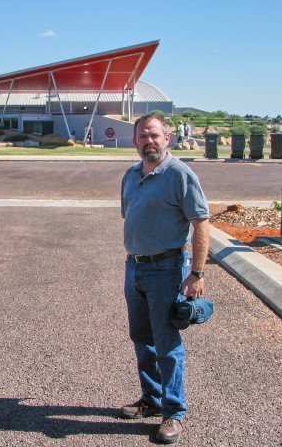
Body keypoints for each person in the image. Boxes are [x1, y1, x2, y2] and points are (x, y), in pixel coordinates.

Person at [119, 114, 210, 444]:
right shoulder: (130, 175)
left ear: (167, 138)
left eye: (154, 135)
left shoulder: (179, 175)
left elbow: (201, 222)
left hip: (166, 270)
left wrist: (196, 273)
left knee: (167, 344)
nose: (149, 141)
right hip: (135, 268)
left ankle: (174, 412)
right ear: (135, 142)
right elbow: (131, 216)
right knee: (142, 337)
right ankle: (152, 399)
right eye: (143, 136)